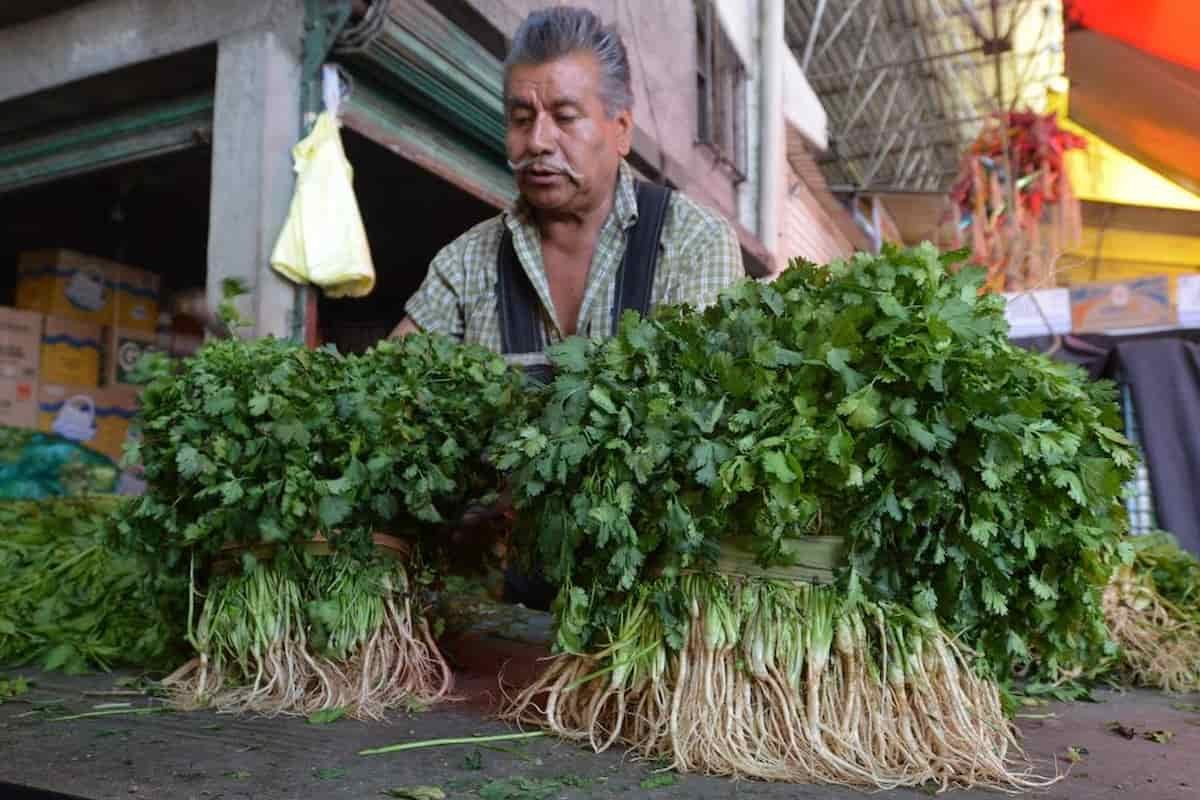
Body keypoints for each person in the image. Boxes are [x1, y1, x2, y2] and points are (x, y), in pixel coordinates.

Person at [390, 5, 745, 375]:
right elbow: (388, 387)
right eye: (522, 120)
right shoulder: (466, 265)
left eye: (565, 117)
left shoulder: (695, 244)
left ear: (621, 129)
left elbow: (706, 407)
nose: (539, 141)